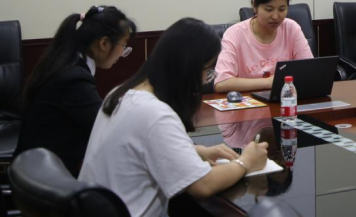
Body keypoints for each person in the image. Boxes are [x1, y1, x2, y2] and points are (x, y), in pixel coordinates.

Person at [80, 18, 269, 217]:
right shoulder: (155, 113)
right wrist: (246, 162)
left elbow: (139, 147)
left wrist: (197, 151)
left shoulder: (120, 93)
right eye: (207, 70)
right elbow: (203, 185)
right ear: (187, 68)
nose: (205, 80)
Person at [14, 5, 135, 176]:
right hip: (45, 176)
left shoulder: (64, 62)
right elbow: (104, 126)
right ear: (104, 43)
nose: (123, 53)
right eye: (124, 45)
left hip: (35, 167)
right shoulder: (74, 79)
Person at [214, 0, 313, 93]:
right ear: (254, 6)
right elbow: (222, 83)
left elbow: (309, 71)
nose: (275, 16)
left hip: (285, 98)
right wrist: (270, 82)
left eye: (282, 9)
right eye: (269, 9)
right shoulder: (234, 34)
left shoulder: (291, 28)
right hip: (248, 101)